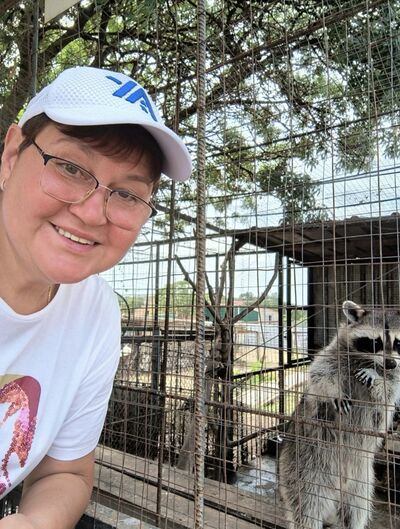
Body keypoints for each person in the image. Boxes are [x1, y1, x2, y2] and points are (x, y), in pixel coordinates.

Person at [0, 65, 191, 528]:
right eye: (70, 167)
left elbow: (64, 472)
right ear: (10, 157)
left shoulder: (96, 312)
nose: (91, 213)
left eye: (127, 194)